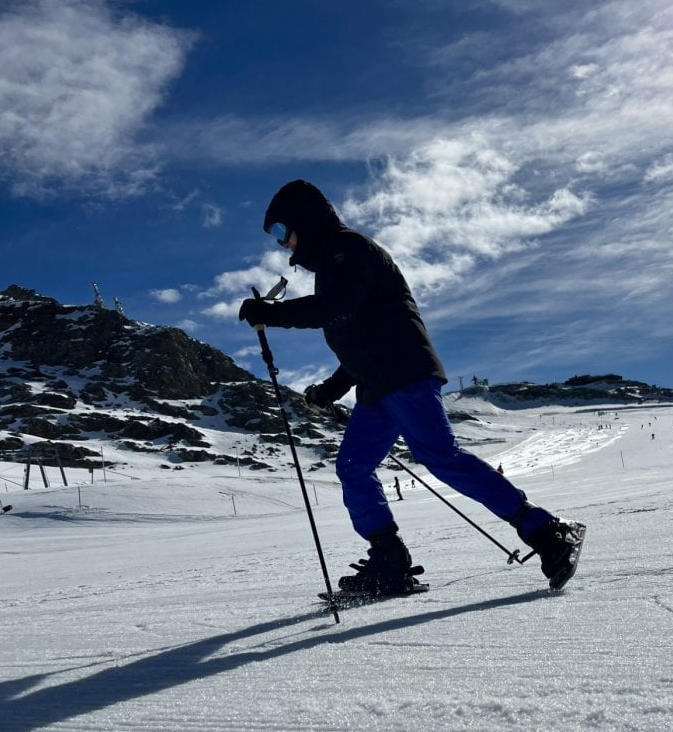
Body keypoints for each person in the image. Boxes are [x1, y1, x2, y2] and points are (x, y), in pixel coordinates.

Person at [239, 180, 585, 596]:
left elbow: (338, 310)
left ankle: (548, 531)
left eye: (281, 232)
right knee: (353, 467)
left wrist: (271, 313)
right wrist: (331, 389)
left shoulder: (349, 250)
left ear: (304, 222)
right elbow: (358, 338)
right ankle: (389, 560)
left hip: (404, 373)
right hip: (376, 386)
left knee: (438, 455)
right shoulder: (333, 264)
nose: (281, 245)